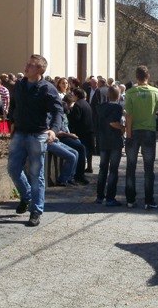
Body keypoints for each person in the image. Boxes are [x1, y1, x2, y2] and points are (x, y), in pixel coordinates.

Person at [7, 54, 64, 227]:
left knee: (36, 174)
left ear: (40, 70)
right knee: (13, 169)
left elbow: (58, 111)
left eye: (31, 65)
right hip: (20, 133)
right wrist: (12, 122)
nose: (27, 67)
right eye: (27, 64)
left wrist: (53, 130)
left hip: (37, 135)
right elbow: (14, 105)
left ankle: (36, 210)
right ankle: (26, 196)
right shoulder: (20, 85)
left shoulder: (47, 88)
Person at [124, 65, 158, 210]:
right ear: (148, 76)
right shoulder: (156, 91)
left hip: (134, 131)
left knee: (131, 167)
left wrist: (129, 134)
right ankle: (149, 200)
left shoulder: (130, 92)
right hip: (149, 131)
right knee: (149, 168)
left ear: (136, 77)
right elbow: (156, 110)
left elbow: (129, 115)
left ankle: (130, 199)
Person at [95, 85, 125, 206]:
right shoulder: (117, 108)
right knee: (113, 170)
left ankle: (99, 196)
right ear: (118, 96)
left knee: (103, 169)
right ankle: (110, 198)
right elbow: (113, 122)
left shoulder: (100, 107)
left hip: (103, 139)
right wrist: (123, 128)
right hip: (114, 141)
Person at [68, 87, 95, 174]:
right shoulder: (87, 104)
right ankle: (89, 166)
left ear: (76, 95)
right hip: (89, 129)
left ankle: (80, 171)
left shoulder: (77, 105)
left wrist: (70, 114)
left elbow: (76, 118)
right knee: (89, 151)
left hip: (81, 131)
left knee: (82, 150)